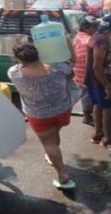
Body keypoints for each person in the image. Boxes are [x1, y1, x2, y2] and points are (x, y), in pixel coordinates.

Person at [8, 43, 77, 190]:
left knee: (49, 144)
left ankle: (62, 174)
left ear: (19, 59)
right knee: (54, 135)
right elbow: (72, 61)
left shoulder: (15, 73)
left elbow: (18, 67)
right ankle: (54, 156)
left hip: (38, 115)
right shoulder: (58, 68)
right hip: (62, 109)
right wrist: (68, 43)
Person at [85, 14, 111, 152]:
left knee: (97, 105)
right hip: (99, 82)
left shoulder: (98, 35)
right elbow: (97, 66)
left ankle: (97, 134)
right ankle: (107, 139)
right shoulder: (102, 41)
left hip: (93, 81)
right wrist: (108, 86)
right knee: (109, 110)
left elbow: (108, 60)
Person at [73, 16, 99, 125]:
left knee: (86, 95)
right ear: (85, 28)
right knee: (87, 97)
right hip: (85, 75)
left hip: (79, 73)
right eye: (94, 27)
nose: (96, 30)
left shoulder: (79, 36)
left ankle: (89, 114)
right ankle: (87, 117)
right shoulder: (87, 41)